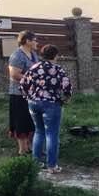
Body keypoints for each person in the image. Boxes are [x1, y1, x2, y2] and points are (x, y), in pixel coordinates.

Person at [20, 44, 73, 174]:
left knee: (39, 131)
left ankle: (36, 163)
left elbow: (22, 84)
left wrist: (28, 97)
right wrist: (66, 98)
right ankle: (52, 166)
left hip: (33, 103)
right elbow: (67, 86)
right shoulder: (57, 69)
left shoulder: (34, 67)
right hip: (51, 104)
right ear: (55, 55)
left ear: (42, 55)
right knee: (52, 134)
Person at [7, 30, 39, 155]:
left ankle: (29, 147)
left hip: (31, 94)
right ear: (27, 41)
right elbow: (14, 74)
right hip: (18, 94)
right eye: (35, 40)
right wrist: (33, 80)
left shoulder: (33, 54)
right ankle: (22, 150)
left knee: (30, 121)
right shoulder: (17, 55)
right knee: (20, 121)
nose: (36, 42)